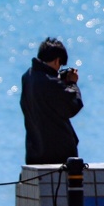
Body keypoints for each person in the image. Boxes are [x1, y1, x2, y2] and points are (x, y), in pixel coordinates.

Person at [20, 37, 83, 165]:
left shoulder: (28, 77)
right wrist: (72, 83)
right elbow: (73, 106)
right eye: (60, 65)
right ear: (57, 60)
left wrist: (60, 81)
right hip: (57, 154)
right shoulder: (51, 83)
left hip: (35, 153)